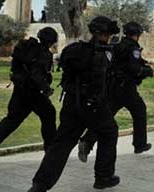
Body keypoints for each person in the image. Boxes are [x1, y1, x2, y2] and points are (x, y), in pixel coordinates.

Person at [27, 16, 121, 192]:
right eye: (107, 34)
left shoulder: (75, 50)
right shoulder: (102, 53)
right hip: (92, 105)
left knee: (61, 144)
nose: (109, 38)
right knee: (109, 131)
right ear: (102, 34)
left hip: (70, 103)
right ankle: (103, 176)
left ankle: (39, 185)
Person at [0, 27, 59, 164]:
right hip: (33, 92)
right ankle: (50, 149)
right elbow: (36, 75)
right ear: (51, 41)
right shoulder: (43, 53)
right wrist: (46, 90)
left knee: (12, 119)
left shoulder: (27, 49)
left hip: (20, 90)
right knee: (49, 114)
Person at [78, 22, 154, 163]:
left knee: (105, 117)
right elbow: (133, 68)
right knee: (140, 111)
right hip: (126, 88)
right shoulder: (132, 48)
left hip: (113, 87)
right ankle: (140, 144)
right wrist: (147, 71)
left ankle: (87, 142)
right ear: (137, 34)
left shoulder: (117, 45)